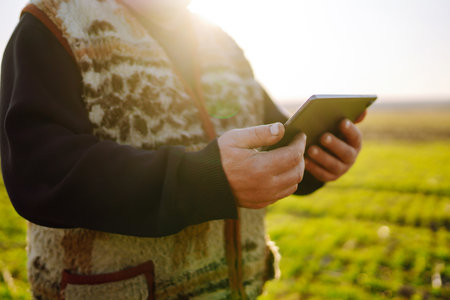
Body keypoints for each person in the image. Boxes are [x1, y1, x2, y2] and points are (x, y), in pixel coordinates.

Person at [0, 0, 365, 299]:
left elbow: (272, 139)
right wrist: (205, 179)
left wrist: (315, 161)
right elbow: (40, 172)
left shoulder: (221, 43)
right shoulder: (52, 24)